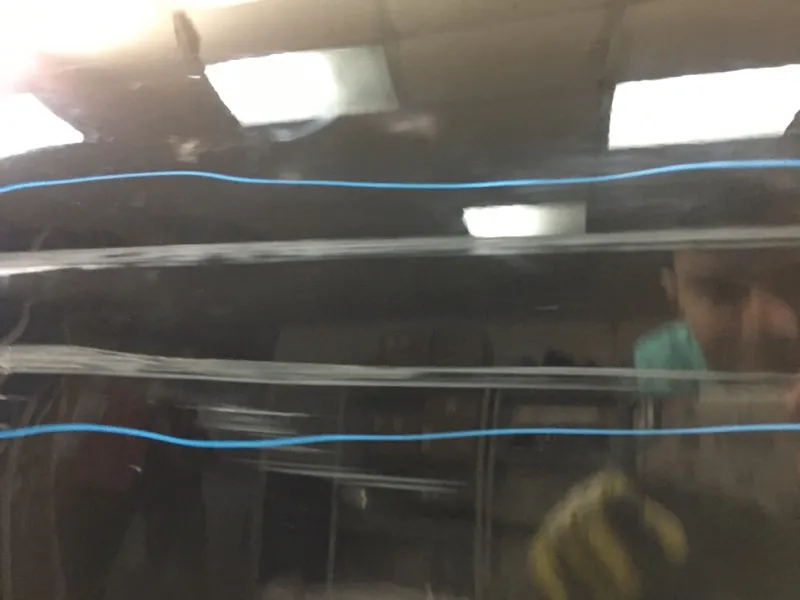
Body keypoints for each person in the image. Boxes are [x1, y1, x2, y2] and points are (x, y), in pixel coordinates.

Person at [529, 176, 800, 600]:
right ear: (673, 292)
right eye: (721, 293)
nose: (779, 322)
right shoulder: (657, 372)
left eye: (795, 280)